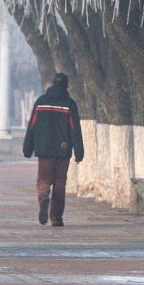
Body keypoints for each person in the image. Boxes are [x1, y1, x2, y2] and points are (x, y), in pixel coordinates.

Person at [22, 72, 85, 227]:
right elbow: (75, 129)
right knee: (59, 183)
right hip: (63, 151)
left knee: (43, 180)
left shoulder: (41, 102)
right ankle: (56, 218)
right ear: (66, 85)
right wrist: (79, 152)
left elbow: (32, 126)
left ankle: (44, 198)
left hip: (44, 149)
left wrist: (27, 148)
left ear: (52, 83)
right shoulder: (70, 104)